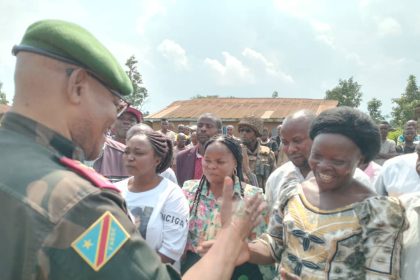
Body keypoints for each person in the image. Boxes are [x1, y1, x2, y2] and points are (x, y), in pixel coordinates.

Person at [0, 19, 265, 280]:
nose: (113, 119)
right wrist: (231, 238)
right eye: (115, 104)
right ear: (77, 86)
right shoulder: (79, 203)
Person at [248, 107, 406, 279]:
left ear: (360, 160)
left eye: (337, 161)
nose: (323, 166)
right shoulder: (292, 192)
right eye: (317, 155)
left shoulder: (379, 212)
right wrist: (240, 248)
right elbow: (273, 245)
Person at [182, 135, 274, 279]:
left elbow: (267, 245)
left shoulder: (253, 197)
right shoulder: (188, 191)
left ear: (235, 163)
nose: (212, 166)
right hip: (197, 267)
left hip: (240, 269)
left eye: (220, 161)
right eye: (207, 160)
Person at [265, 110, 372, 212]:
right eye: (285, 142)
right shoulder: (277, 179)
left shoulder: (356, 179)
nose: (291, 149)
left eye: (297, 141)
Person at [115, 128, 188, 268]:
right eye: (127, 152)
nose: (130, 157)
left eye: (139, 153)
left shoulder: (172, 195)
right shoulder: (114, 190)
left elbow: (170, 252)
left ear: (157, 159)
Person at [176, 113, 222, 186]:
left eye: (209, 126)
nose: (203, 129)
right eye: (200, 126)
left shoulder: (227, 159)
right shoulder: (182, 157)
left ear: (219, 133)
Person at [239, 116, 276, 191]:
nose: (244, 134)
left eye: (248, 131)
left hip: (263, 197)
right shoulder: (235, 153)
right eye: (241, 130)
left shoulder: (268, 154)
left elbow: (274, 179)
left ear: (256, 133)